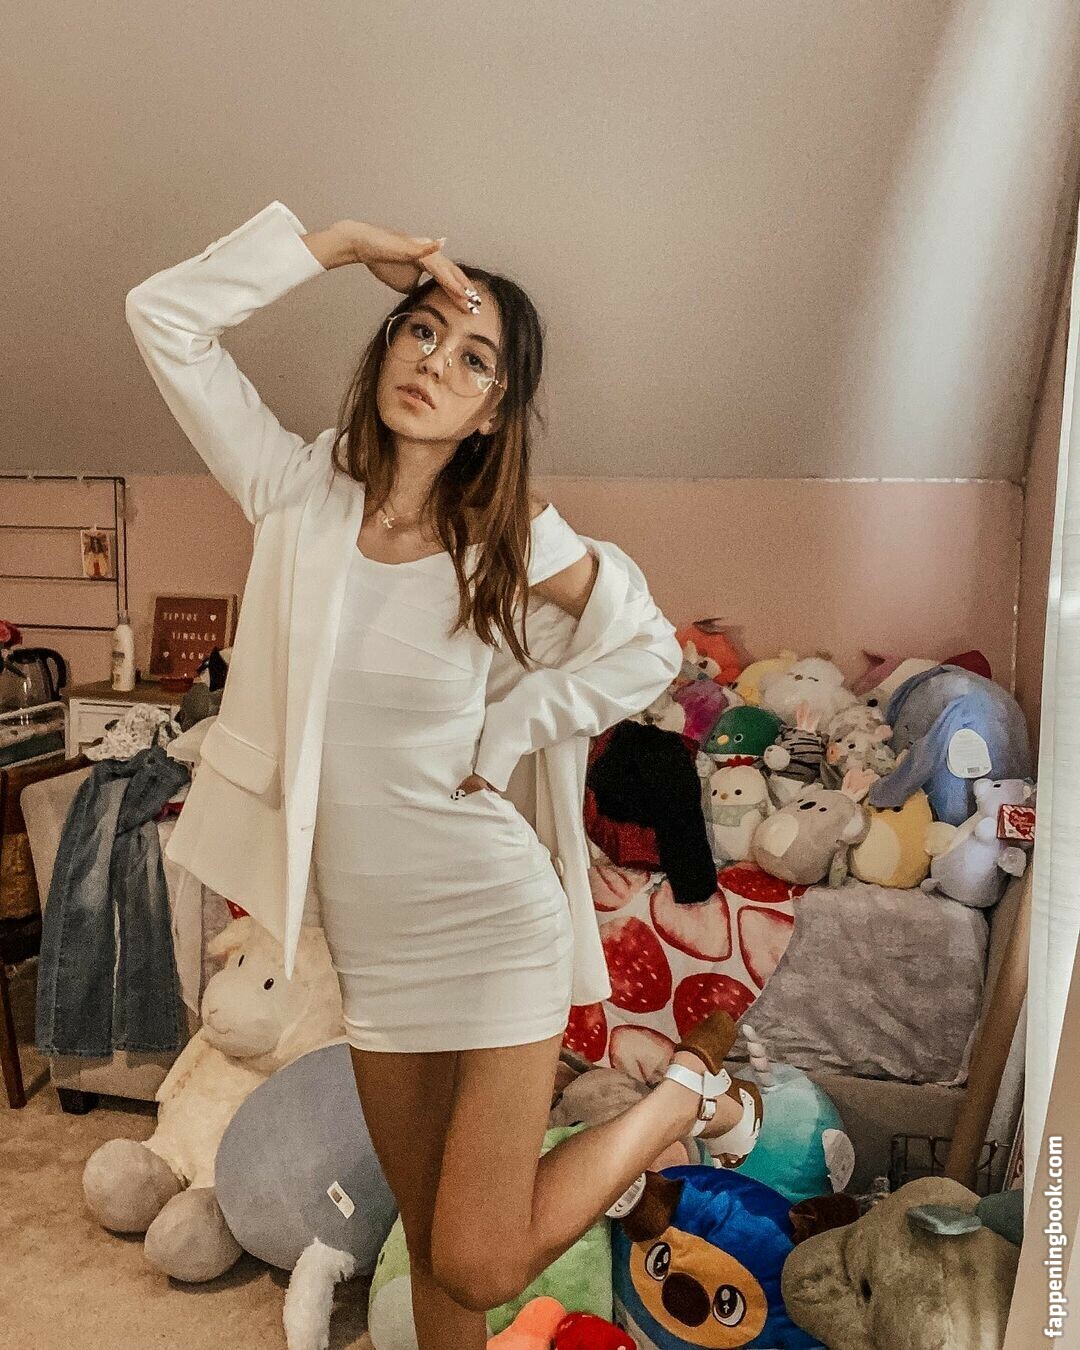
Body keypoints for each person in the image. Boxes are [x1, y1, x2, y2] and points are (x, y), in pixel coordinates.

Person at [126, 201, 746, 1349]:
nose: (435, 364)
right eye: (422, 331)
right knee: (433, 1252)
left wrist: (518, 720)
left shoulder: (508, 533)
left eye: (474, 359)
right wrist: (335, 246)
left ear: (493, 409)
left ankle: (678, 1103)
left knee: (477, 1252)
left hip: (491, 915)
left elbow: (649, 650)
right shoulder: (298, 492)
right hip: (376, 942)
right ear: (386, 344)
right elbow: (163, 317)